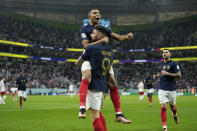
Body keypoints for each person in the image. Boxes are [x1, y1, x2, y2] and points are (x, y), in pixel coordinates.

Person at [78, 8, 133, 123]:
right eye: (95, 13)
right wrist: (102, 41)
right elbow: (86, 46)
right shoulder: (85, 29)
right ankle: (82, 108)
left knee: (113, 82)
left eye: (99, 13)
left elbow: (118, 37)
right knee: (87, 75)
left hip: (103, 57)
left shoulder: (103, 29)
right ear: (89, 16)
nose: (98, 15)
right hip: (90, 57)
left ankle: (119, 114)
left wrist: (127, 36)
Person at [76, 25, 114, 131]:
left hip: (94, 86)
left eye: (93, 33)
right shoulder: (110, 51)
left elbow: (78, 62)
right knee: (98, 114)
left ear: (99, 36)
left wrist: (83, 58)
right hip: (103, 85)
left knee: (94, 116)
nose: (91, 35)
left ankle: (81, 108)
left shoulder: (91, 48)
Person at [153, 49, 181, 131]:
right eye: (163, 53)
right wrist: (156, 76)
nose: (164, 54)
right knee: (163, 107)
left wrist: (167, 73)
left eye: (166, 52)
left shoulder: (174, 63)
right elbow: (160, 73)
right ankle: (164, 127)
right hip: (162, 89)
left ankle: (175, 115)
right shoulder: (160, 64)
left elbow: (179, 75)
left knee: (172, 107)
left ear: (170, 54)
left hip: (172, 89)